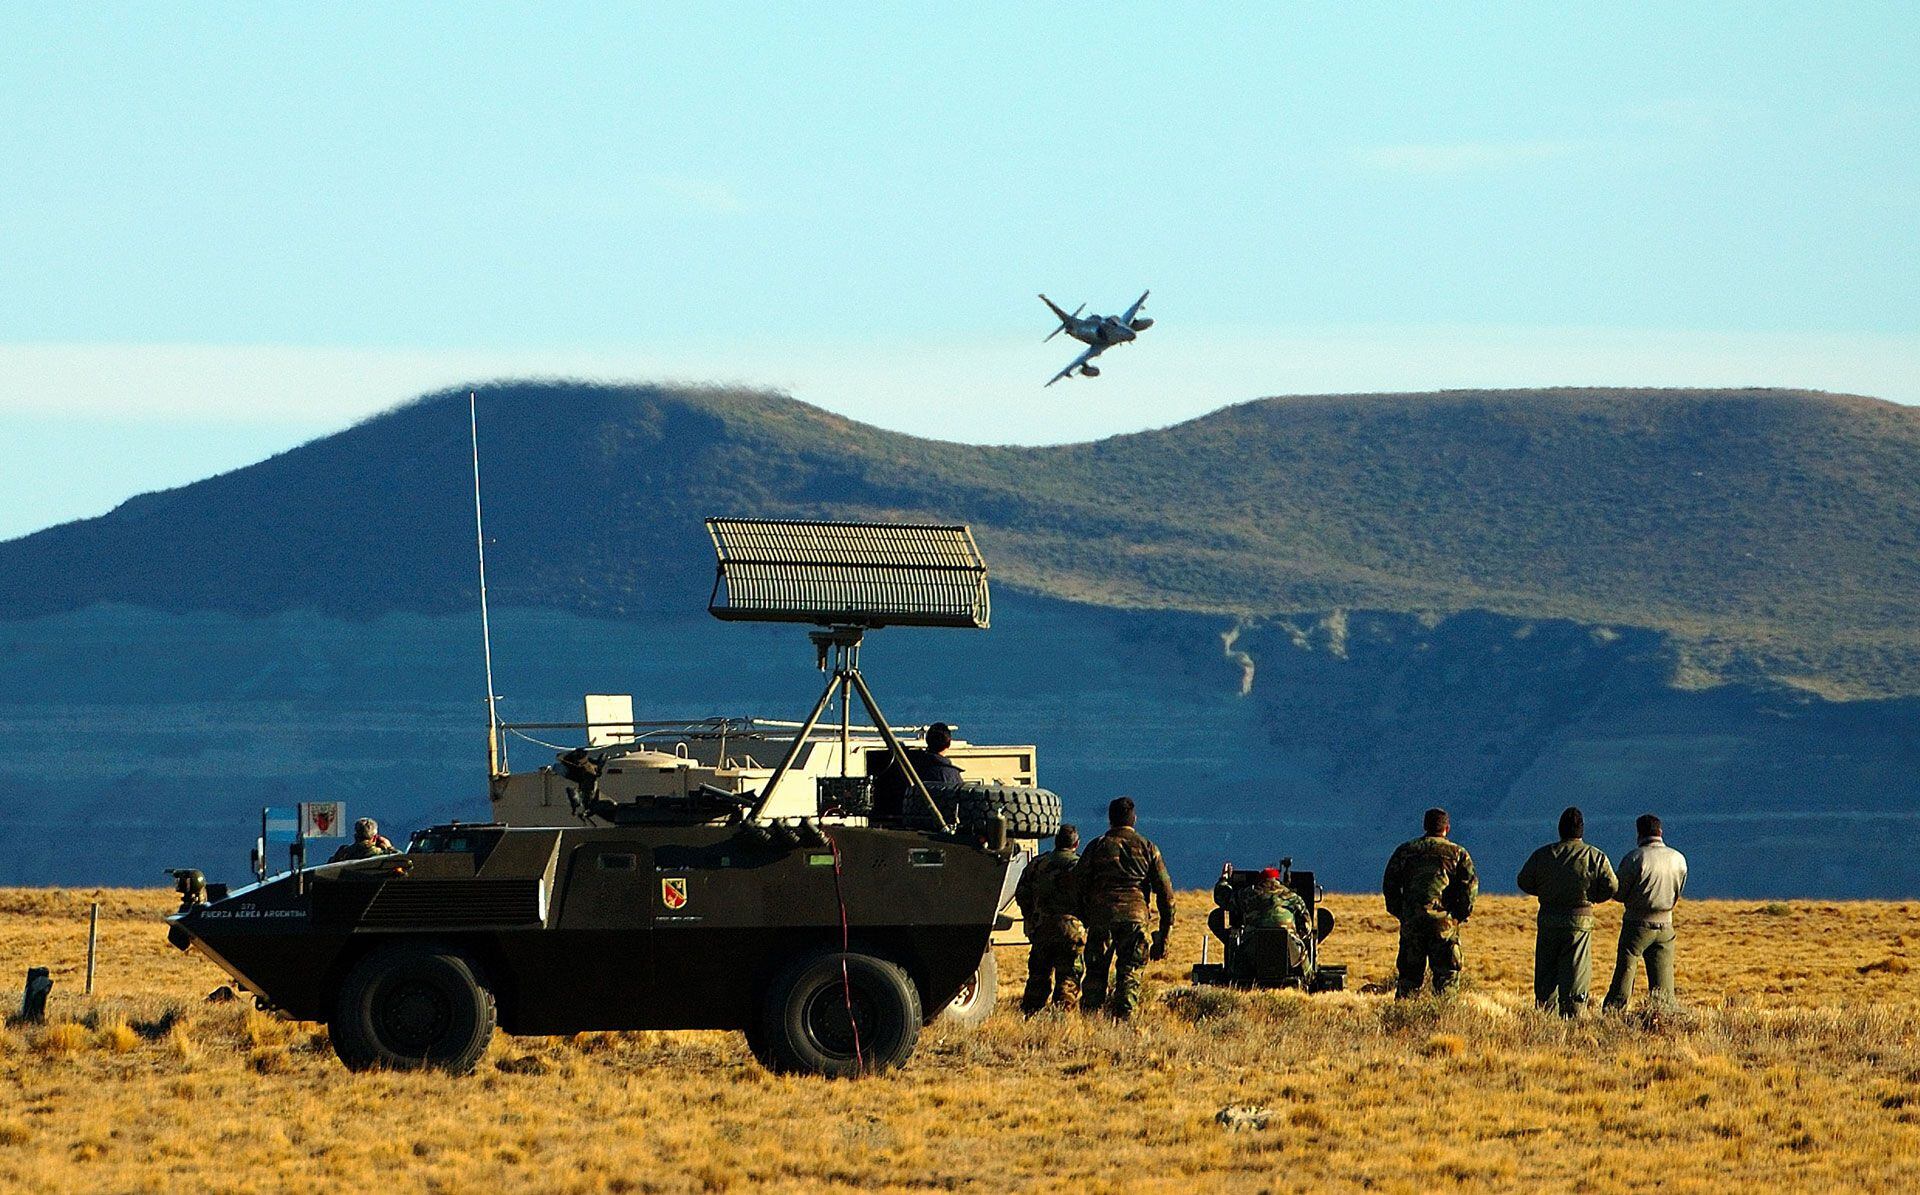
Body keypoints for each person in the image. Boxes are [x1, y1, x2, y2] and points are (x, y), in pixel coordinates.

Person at [1073, 796, 1176, 1019]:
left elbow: (1077, 883)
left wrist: (1085, 915)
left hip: (1102, 917)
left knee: (1095, 973)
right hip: (1135, 918)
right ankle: (1126, 1019)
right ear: (1134, 819)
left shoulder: (1097, 846)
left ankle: (1091, 1020)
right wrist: (1164, 936)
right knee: (1130, 972)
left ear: (1110, 819)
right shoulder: (1148, 847)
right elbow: (1166, 895)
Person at [1516, 806, 1619, 1016]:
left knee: (1546, 973)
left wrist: (1545, 893)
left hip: (1548, 919)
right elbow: (1612, 886)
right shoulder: (1595, 856)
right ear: (1581, 831)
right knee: (1576, 973)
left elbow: (1524, 881)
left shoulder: (1542, 855)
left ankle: (1545, 1017)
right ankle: (1573, 1019)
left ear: (1560, 829)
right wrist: (1593, 898)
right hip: (1579, 921)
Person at [1381, 807, 1478, 998]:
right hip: (1444, 926)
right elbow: (1469, 888)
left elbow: (1390, 885)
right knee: (1447, 981)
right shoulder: (1457, 854)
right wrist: (1457, 916)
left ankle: (1403, 1022)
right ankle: (1445, 1022)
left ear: (1425, 826)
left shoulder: (1406, 851)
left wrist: (1403, 913)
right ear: (1447, 828)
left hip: (1412, 925)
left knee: (1408, 980)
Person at [1604, 813, 1689, 1011]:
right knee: (1664, 983)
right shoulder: (1678, 859)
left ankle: (1614, 1011)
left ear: (1639, 834)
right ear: (1660, 832)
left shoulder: (1635, 858)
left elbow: (1619, 892)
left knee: (1626, 970)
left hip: (1637, 924)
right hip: (1666, 924)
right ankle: (1665, 1016)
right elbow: (1679, 891)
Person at [1014, 824, 1086, 1014]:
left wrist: (1032, 916)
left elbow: (1021, 894)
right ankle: (1061, 1018)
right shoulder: (1081, 866)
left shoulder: (1038, 864)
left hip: (1042, 929)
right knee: (1069, 978)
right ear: (1076, 844)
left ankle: (1030, 1014)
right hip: (1072, 931)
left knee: (1038, 977)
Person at [871, 722, 964, 821]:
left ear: (927, 741)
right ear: (949, 744)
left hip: (909, 821)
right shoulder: (951, 775)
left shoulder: (910, 767)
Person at [1208, 863, 1310, 947]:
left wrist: (1224, 879)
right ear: (1277, 881)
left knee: (1239, 959)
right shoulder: (1292, 897)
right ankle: (1308, 972)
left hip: (1253, 950)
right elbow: (1306, 927)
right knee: (1302, 958)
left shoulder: (1248, 895)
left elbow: (1223, 898)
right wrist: (1296, 937)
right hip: (1289, 949)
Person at [329, 818, 398, 863]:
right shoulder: (382, 854)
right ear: (375, 837)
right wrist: (390, 848)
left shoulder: (343, 853)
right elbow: (403, 861)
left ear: (356, 835)